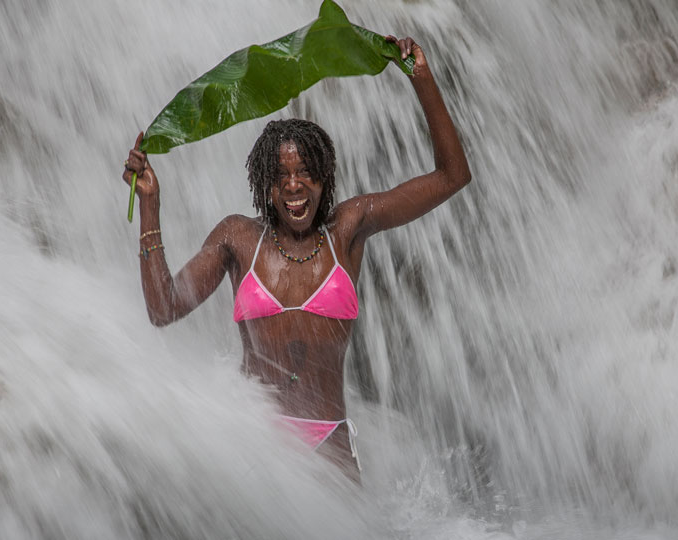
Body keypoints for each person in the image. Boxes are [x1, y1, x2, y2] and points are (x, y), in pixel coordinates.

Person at [122, 36, 471, 479]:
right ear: (264, 187)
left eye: (306, 171)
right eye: (281, 175)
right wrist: (150, 205)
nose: (293, 185)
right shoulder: (237, 238)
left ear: (325, 178)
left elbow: (452, 176)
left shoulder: (349, 228)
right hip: (255, 445)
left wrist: (420, 76)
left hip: (330, 445)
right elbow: (163, 308)